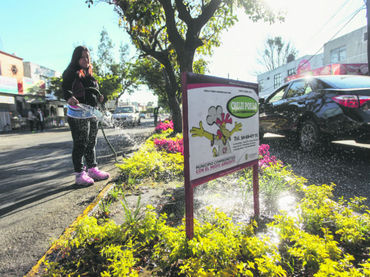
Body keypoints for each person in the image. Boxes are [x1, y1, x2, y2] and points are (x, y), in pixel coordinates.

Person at [62, 46, 110, 186]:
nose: (86, 59)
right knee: (80, 144)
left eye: (87, 57)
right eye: (83, 57)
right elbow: (66, 88)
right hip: (77, 114)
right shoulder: (71, 72)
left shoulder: (88, 74)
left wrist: (99, 97)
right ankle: (79, 174)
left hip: (91, 112)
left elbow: (93, 90)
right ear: (76, 58)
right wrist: (69, 97)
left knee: (91, 143)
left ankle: (92, 169)